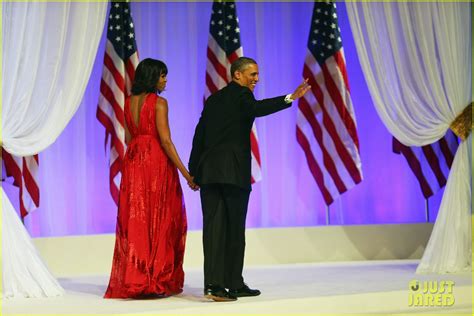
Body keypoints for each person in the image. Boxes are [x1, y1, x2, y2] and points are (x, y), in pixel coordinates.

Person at [189, 57, 310, 301]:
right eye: (252, 74)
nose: (256, 79)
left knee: (213, 230)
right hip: (233, 173)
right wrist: (290, 98)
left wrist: (194, 171)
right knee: (234, 230)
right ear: (237, 76)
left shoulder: (213, 99)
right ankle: (232, 284)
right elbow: (257, 109)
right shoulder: (243, 96)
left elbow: (199, 135)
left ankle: (216, 285)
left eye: (257, 74)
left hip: (210, 173)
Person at [104, 58, 198, 299]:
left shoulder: (128, 102)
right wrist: (187, 174)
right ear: (152, 77)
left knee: (137, 220)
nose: (165, 80)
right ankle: (155, 279)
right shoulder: (159, 103)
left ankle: (137, 278)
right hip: (155, 163)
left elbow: (130, 135)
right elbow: (165, 140)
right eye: (162, 75)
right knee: (162, 219)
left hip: (134, 161)